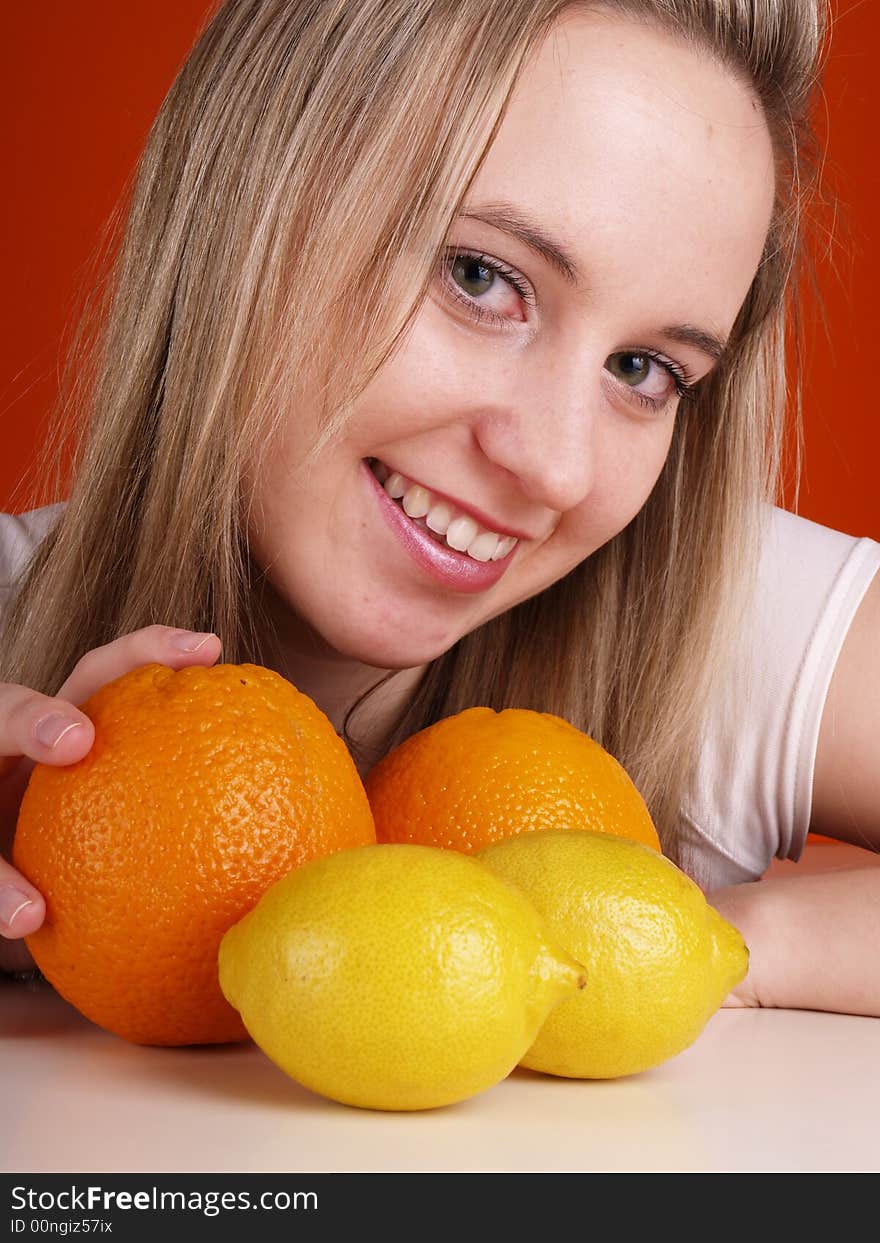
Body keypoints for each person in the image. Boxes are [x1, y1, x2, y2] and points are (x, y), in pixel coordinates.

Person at [1, 0, 878, 1013]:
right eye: (480, 278)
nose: (556, 467)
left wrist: (710, 943)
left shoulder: (720, 619)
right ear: (246, 204)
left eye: (642, 369)